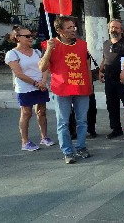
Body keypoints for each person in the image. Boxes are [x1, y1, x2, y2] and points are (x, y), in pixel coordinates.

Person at [39, 16, 93, 164]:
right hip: (61, 89)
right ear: (59, 30)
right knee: (63, 122)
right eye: (69, 27)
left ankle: (81, 146)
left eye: (73, 27)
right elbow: (42, 67)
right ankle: (67, 151)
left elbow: (86, 66)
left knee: (82, 121)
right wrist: (49, 49)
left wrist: (90, 86)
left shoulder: (82, 45)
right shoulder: (50, 45)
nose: (73, 30)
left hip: (81, 87)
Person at [5, 25, 54, 151]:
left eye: (31, 35)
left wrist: (43, 81)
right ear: (17, 38)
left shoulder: (37, 52)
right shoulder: (12, 54)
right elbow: (19, 73)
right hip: (25, 88)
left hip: (41, 85)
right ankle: (25, 141)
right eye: (27, 36)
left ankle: (44, 137)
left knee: (41, 112)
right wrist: (36, 83)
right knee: (26, 113)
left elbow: (45, 67)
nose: (31, 38)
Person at [100, 19, 124, 139]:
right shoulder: (106, 44)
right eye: (112, 27)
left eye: (117, 28)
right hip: (109, 79)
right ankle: (116, 129)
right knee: (111, 105)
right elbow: (105, 59)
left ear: (121, 30)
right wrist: (100, 70)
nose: (114, 29)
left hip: (123, 80)